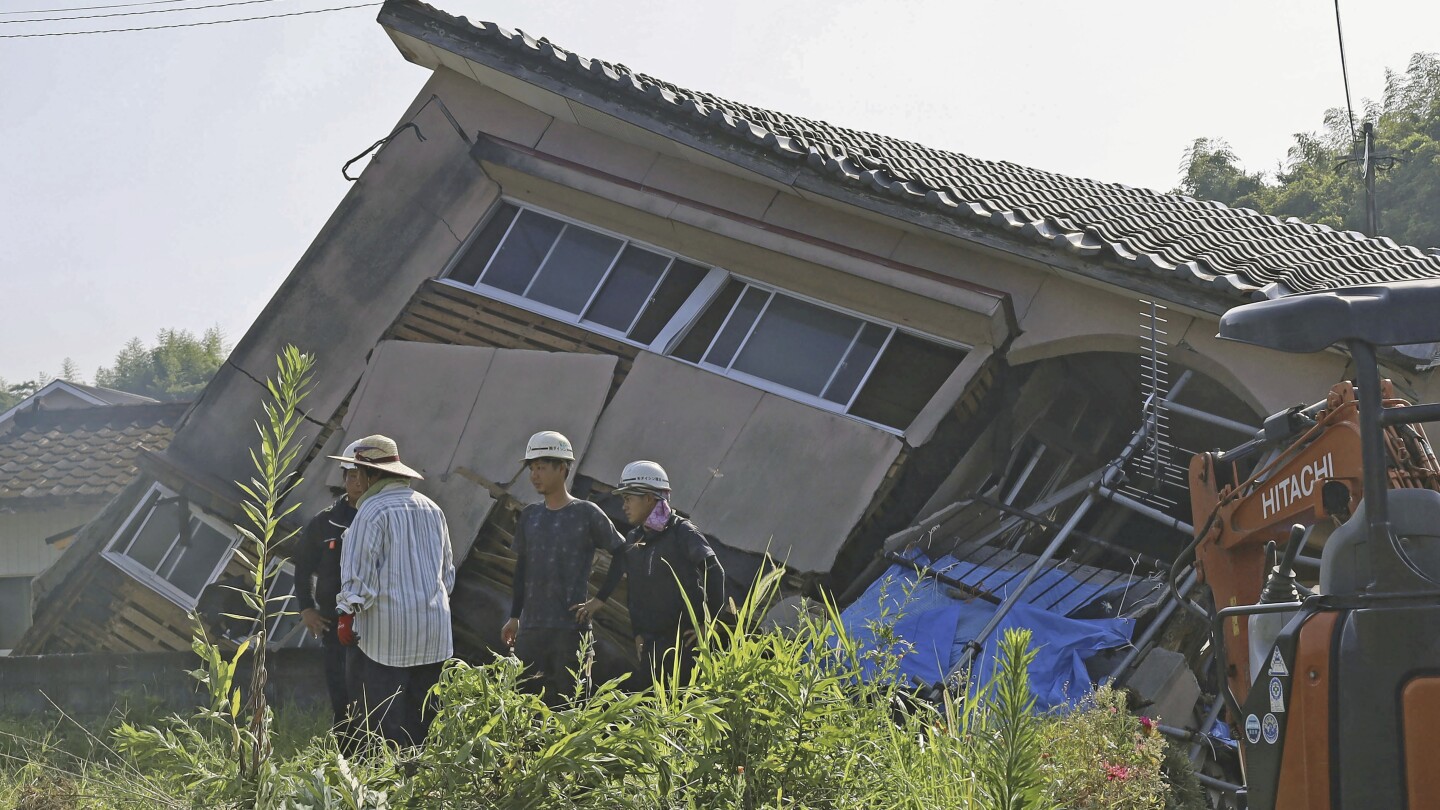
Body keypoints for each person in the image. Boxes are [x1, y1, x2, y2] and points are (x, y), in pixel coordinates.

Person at [333, 435, 455, 749]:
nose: (356, 478)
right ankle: (424, 785)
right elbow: (447, 575)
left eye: (359, 471)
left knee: (382, 722)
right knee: (426, 721)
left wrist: (347, 615)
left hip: (386, 638)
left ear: (371, 475)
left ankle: (389, 789)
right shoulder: (432, 509)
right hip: (433, 633)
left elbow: (359, 579)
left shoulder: (372, 511)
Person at [501, 430, 625, 705]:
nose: (534, 475)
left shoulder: (586, 513)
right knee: (522, 707)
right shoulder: (531, 516)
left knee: (570, 707)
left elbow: (622, 552)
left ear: (563, 469)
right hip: (532, 629)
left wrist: (598, 600)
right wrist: (514, 616)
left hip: (570, 631)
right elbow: (521, 569)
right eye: (532, 468)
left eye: (542, 468)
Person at [590, 460, 727, 688]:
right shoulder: (635, 539)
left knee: (683, 710)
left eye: (628, 498)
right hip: (651, 647)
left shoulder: (682, 532)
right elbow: (635, 591)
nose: (624, 506)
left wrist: (707, 623)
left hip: (685, 644)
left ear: (649, 498)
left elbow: (714, 571)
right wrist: (638, 633)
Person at [294, 440, 366, 746]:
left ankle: (378, 759)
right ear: (343, 478)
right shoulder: (324, 523)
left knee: (371, 695)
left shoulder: (382, 517)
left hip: (374, 623)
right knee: (341, 694)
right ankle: (347, 759)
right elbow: (301, 567)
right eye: (351, 475)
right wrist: (306, 608)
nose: (358, 483)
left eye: (365, 476)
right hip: (333, 625)